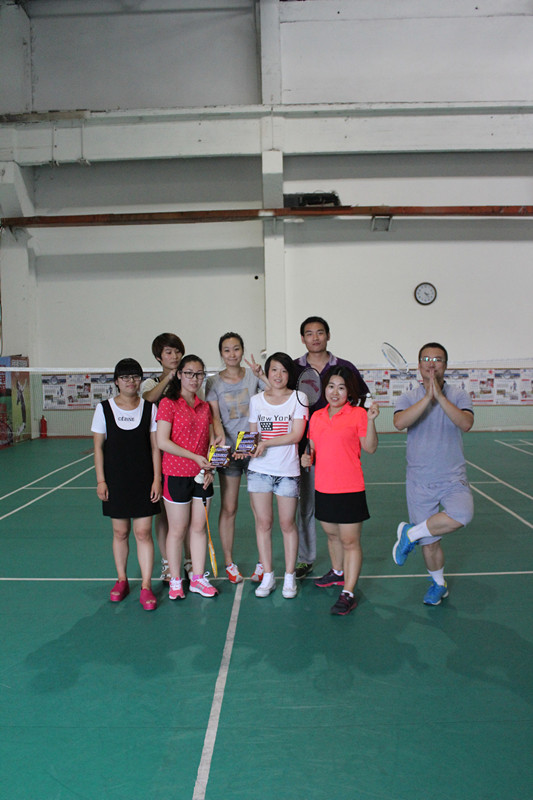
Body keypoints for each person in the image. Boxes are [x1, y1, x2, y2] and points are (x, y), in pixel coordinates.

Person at [392, 342, 474, 605]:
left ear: (445, 366)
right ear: (419, 365)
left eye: (437, 359)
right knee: (430, 542)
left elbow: (466, 423)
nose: (432, 363)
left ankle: (410, 534)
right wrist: (428, 397)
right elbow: (399, 423)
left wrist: (439, 396)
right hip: (420, 480)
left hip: (452, 477)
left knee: (463, 514)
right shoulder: (408, 397)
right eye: (426, 359)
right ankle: (438, 584)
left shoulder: (459, 395)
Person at [293, 316, 369, 578]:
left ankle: (342, 570)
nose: (315, 338)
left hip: (337, 450)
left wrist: (357, 421)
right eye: (309, 333)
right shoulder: (295, 368)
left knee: (338, 514)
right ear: (302, 338)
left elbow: (363, 398)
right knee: (306, 507)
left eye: (320, 332)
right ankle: (305, 559)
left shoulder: (344, 367)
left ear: (328, 335)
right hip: (305, 446)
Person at [302, 366, 379, 615]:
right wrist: (307, 457)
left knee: (349, 541)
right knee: (332, 535)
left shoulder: (358, 414)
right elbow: (313, 448)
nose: (335, 392)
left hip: (350, 488)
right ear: (324, 389)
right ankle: (337, 572)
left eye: (341, 388)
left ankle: (348, 592)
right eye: (331, 386)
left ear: (349, 392)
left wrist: (371, 421)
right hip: (324, 487)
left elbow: (370, 448)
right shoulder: (316, 417)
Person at [92, 358, 161, 611]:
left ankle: (146, 585)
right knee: (120, 532)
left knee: (143, 533)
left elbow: (155, 448)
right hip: (116, 481)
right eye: (125, 377)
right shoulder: (104, 409)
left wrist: (157, 479)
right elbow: (98, 448)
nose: (131, 382)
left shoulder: (150, 409)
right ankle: (121, 580)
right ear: (116, 382)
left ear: (140, 380)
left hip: (144, 480)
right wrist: (101, 480)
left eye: (135, 377)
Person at [240, 352, 307, 599]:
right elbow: (253, 436)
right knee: (263, 524)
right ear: (267, 373)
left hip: (287, 472)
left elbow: (296, 435)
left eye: (284, 370)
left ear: (290, 374)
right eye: (274, 370)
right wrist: (245, 449)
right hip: (259, 471)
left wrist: (266, 444)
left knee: (287, 524)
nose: (279, 375)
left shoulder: (299, 398)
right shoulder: (256, 400)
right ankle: (268, 575)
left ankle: (289, 577)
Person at [206, 332, 268, 584]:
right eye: (227, 350)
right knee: (229, 507)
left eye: (236, 348)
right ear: (221, 353)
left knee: (259, 509)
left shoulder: (253, 376)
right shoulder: (213, 382)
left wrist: (262, 375)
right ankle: (229, 563)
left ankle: (264, 562)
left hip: (254, 452)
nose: (232, 354)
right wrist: (223, 441)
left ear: (243, 350)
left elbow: (273, 396)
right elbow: (214, 416)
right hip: (228, 452)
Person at [156, 354, 218, 601]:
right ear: (180, 374)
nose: (194, 378)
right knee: (177, 530)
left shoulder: (205, 407)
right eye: (189, 373)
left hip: (202, 475)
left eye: (199, 374)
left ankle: (198, 579)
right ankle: (175, 580)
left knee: (199, 528)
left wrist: (210, 467)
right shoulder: (168, 404)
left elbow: (210, 442)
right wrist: (194, 457)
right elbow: (162, 441)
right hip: (176, 474)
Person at [141, 333, 185, 583]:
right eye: (169, 352)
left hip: (185, 452)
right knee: (164, 514)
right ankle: (168, 562)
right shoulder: (150, 383)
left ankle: (187, 561)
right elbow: (148, 399)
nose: (174, 356)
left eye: (177, 351)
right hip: (159, 452)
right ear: (159, 357)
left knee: (186, 513)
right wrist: (169, 377)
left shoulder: (188, 377)